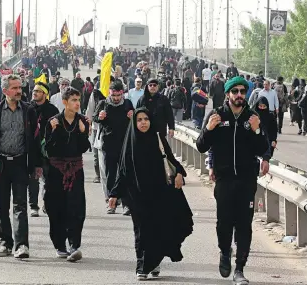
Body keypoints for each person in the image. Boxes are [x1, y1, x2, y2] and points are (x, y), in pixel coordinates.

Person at [196, 76, 269, 285]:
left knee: (244, 225)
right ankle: (225, 252)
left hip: (246, 180)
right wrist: (209, 129)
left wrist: (256, 130)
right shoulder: (217, 116)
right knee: (224, 224)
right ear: (228, 94)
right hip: (224, 179)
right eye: (235, 91)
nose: (239, 95)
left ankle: (240, 269)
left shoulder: (252, 116)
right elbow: (201, 146)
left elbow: (262, 148)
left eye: (242, 92)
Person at [108, 108, 193, 280]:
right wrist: (114, 194)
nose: (143, 122)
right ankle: (142, 265)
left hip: (159, 192)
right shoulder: (130, 142)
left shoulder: (157, 138)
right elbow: (123, 170)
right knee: (142, 230)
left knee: (158, 227)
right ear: (134, 123)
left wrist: (178, 173)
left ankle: (154, 261)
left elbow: (171, 158)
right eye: (139, 120)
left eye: (146, 118)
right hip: (136, 194)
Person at [0, 74, 42, 259]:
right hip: (0, 164)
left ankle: (21, 245)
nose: (19, 91)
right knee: (1, 206)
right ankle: (5, 242)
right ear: (5, 91)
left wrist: (37, 165)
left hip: (21, 163)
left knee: (20, 205)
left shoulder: (29, 111)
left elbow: (35, 139)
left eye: (20, 87)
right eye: (14, 88)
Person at [43, 87, 91, 262]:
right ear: (64, 102)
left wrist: (83, 133)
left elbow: (84, 148)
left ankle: (74, 244)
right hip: (56, 170)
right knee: (56, 207)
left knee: (76, 208)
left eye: (78, 100)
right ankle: (59, 245)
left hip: (76, 169)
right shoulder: (53, 121)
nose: (77, 103)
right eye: (73, 100)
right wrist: (54, 132)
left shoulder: (83, 121)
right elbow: (48, 149)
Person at [93, 81, 134, 214]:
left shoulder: (127, 104)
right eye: (113, 95)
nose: (116, 98)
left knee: (126, 173)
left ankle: (126, 204)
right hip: (109, 144)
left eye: (118, 95)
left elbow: (137, 119)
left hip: (125, 144)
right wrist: (99, 117)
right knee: (110, 174)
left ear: (122, 93)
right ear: (109, 93)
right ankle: (112, 202)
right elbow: (94, 117)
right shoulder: (103, 104)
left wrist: (132, 117)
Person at [29, 82, 59, 217]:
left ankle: (47, 203)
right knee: (33, 178)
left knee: (48, 179)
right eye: (34, 91)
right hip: (32, 149)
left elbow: (58, 131)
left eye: (38, 91)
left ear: (45, 94)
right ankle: (33, 206)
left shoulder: (52, 110)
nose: (34, 93)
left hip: (47, 150)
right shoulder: (28, 108)